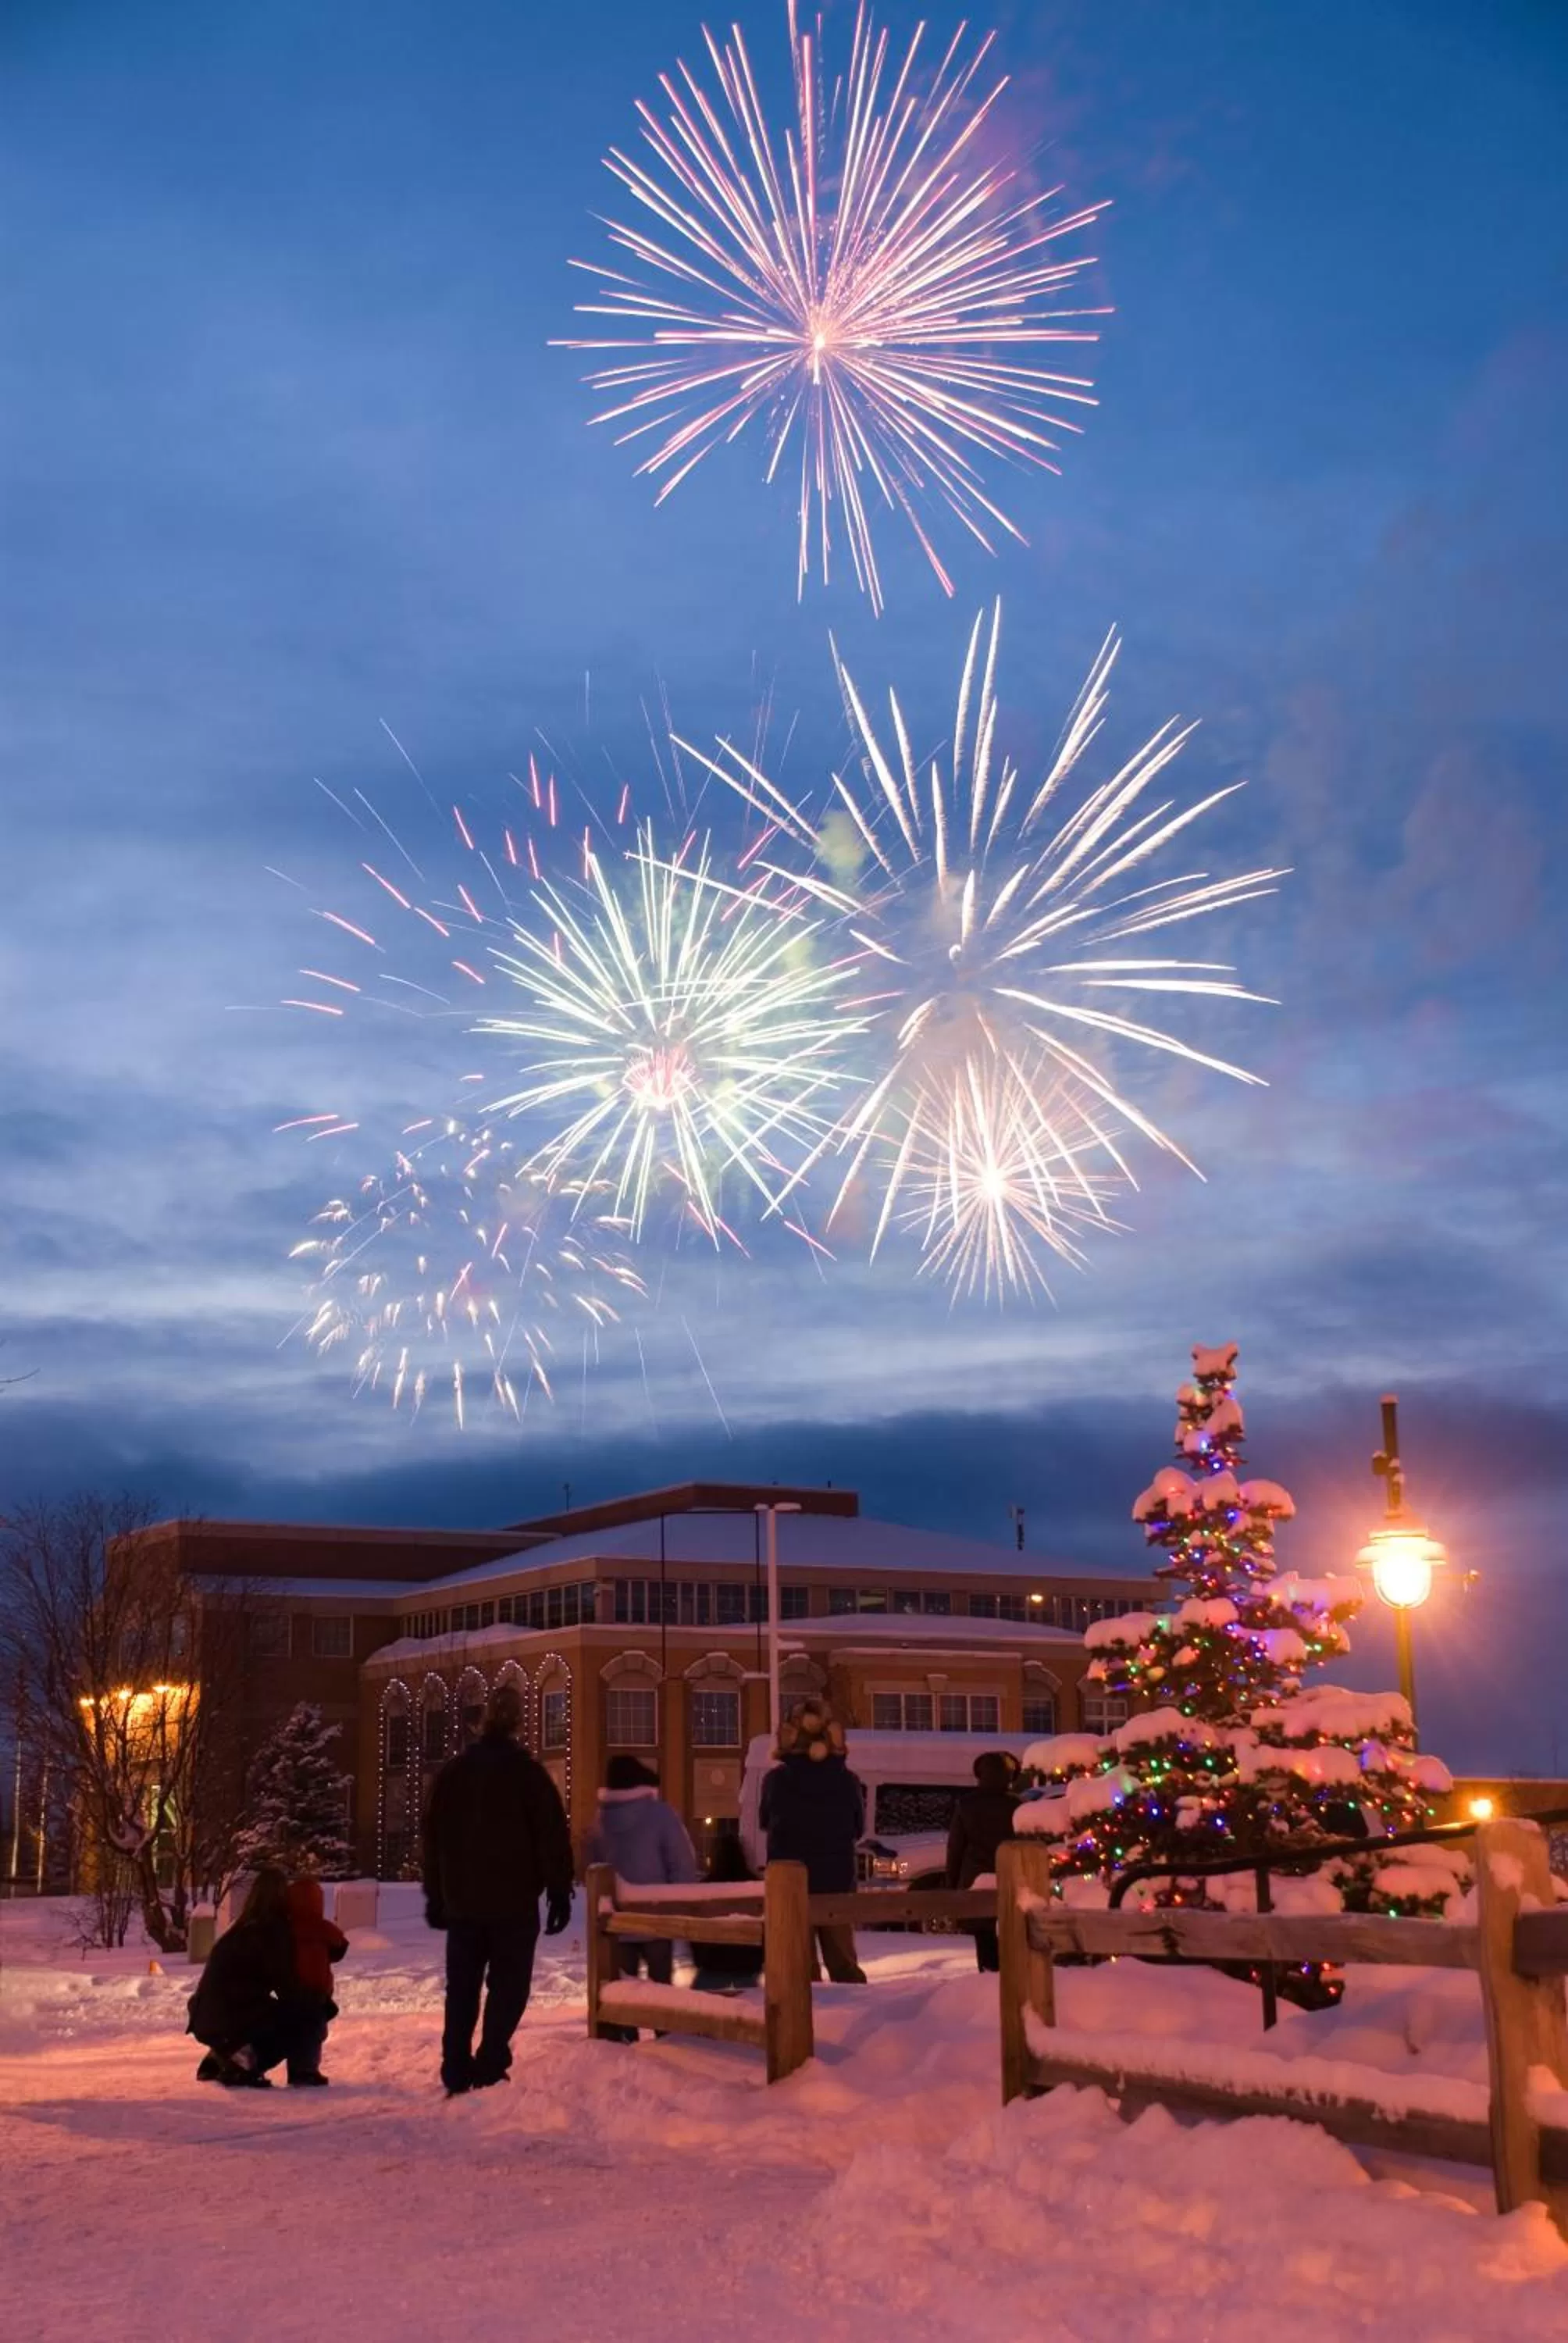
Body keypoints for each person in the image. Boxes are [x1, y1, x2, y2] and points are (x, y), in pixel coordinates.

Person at [422, 1679, 574, 2098]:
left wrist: (435, 1893)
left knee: (463, 1987)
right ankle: (489, 2061)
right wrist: (559, 1889)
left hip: (464, 1902)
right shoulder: (529, 1776)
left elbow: (434, 1837)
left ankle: (455, 2065)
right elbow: (551, 1835)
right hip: (513, 1902)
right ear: (517, 1725)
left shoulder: (453, 1775)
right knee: (508, 1986)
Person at [585, 1754, 698, 2039]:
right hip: (656, 1916)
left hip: (617, 1919)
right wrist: (682, 1907)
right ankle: (665, 2039)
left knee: (624, 1990)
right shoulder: (660, 1814)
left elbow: (591, 1866)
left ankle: (627, 2040)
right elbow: (681, 1862)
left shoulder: (600, 1820)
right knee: (661, 1987)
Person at [758, 1703, 867, 1984]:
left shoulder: (776, 1781)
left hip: (790, 1886)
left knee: (799, 1971)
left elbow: (764, 1821)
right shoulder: (847, 1781)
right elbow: (858, 1828)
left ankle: (804, 2023)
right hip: (837, 1883)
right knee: (844, 1966)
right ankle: (854, 2021)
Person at [187, 1867, 320, 2088]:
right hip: (233, 2017)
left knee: (269, 2012)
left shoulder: (239, 1927)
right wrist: (314, 2001)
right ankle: (244, 2065)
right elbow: (286, 1986)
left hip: (204, 2015)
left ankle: (221, 2057)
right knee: (303, 2017)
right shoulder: (273, 1930)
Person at [946, 1750, 1021, 1973]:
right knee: (1009, 1942)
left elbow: (956, 1848)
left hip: (976, 1882)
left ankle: (987, 1980)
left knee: (984, 1942)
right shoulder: (1017, 1806)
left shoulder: (967, 1805)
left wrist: (952, 1886)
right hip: (1010, 1882)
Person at [282, 1875, 350, 2085]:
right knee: (314, 2033)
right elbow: (341, 1946)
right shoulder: (323, 1928)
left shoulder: (287, 1928)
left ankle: (295, 2069)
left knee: (295, 2032)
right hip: (317, 1991)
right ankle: (308, 2071)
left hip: (292, 1990)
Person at [688, 1827, 764, 1996]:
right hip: (748, 1961)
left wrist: (699, 1958)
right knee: (753, 2000)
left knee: (699, 2000)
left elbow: (694, 1930)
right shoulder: (755, 1887)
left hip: (713, 1961)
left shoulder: (706, 1887)